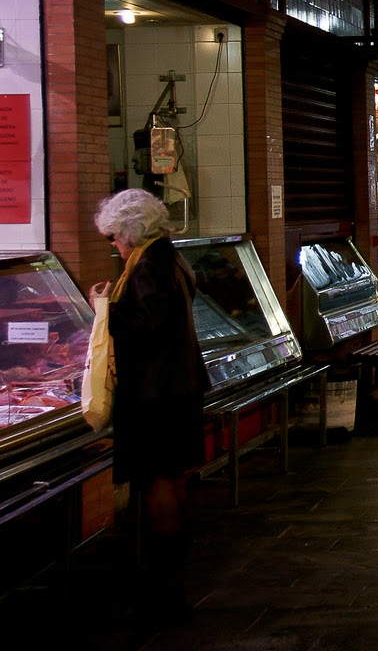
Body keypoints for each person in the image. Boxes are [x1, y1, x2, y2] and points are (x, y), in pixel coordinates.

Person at [91, 188, 207, 620]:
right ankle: (169, 579)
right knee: (173, 481)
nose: (115, 247)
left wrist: (104, 309)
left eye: (116, 238)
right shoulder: (170, 257)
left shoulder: (148, 267)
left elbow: (149, 326)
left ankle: (166, 586)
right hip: (180, 388)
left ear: (132, 233)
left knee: (160, 483)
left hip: (158, 396)